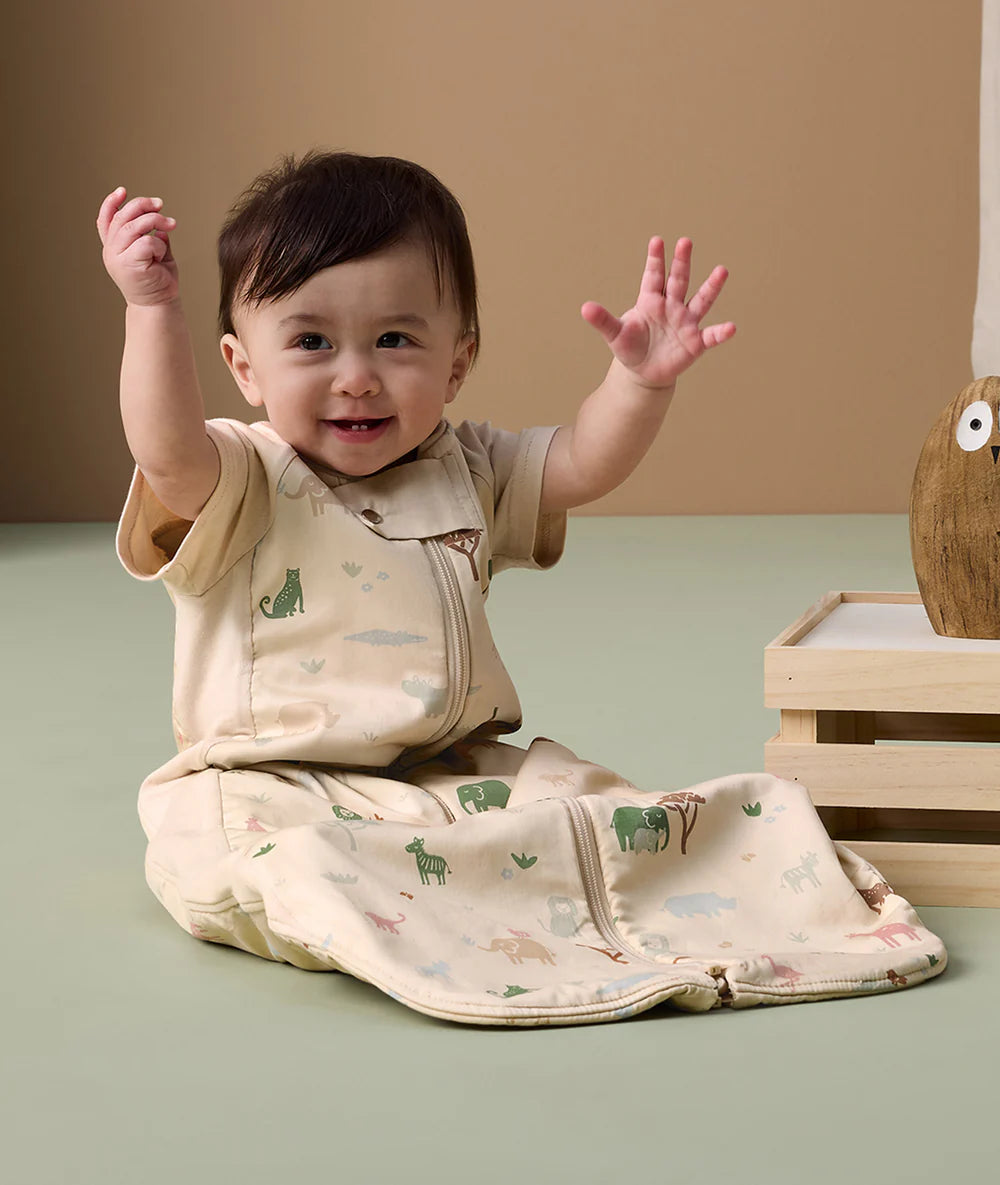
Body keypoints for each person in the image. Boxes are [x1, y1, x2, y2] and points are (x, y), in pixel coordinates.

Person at [97, 150, 945, 1026]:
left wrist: (639, 381)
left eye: (395, 339)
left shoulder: (465, 468)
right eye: (311, 342)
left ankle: (679, 930)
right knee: (299, 865)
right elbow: (168, 452)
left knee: (601, 812)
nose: (356, 375)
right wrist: (151, 309)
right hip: (277, 784)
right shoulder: (243, 478)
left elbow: (580, 461)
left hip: (453, 773)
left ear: (457, 361)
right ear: (244, 367)